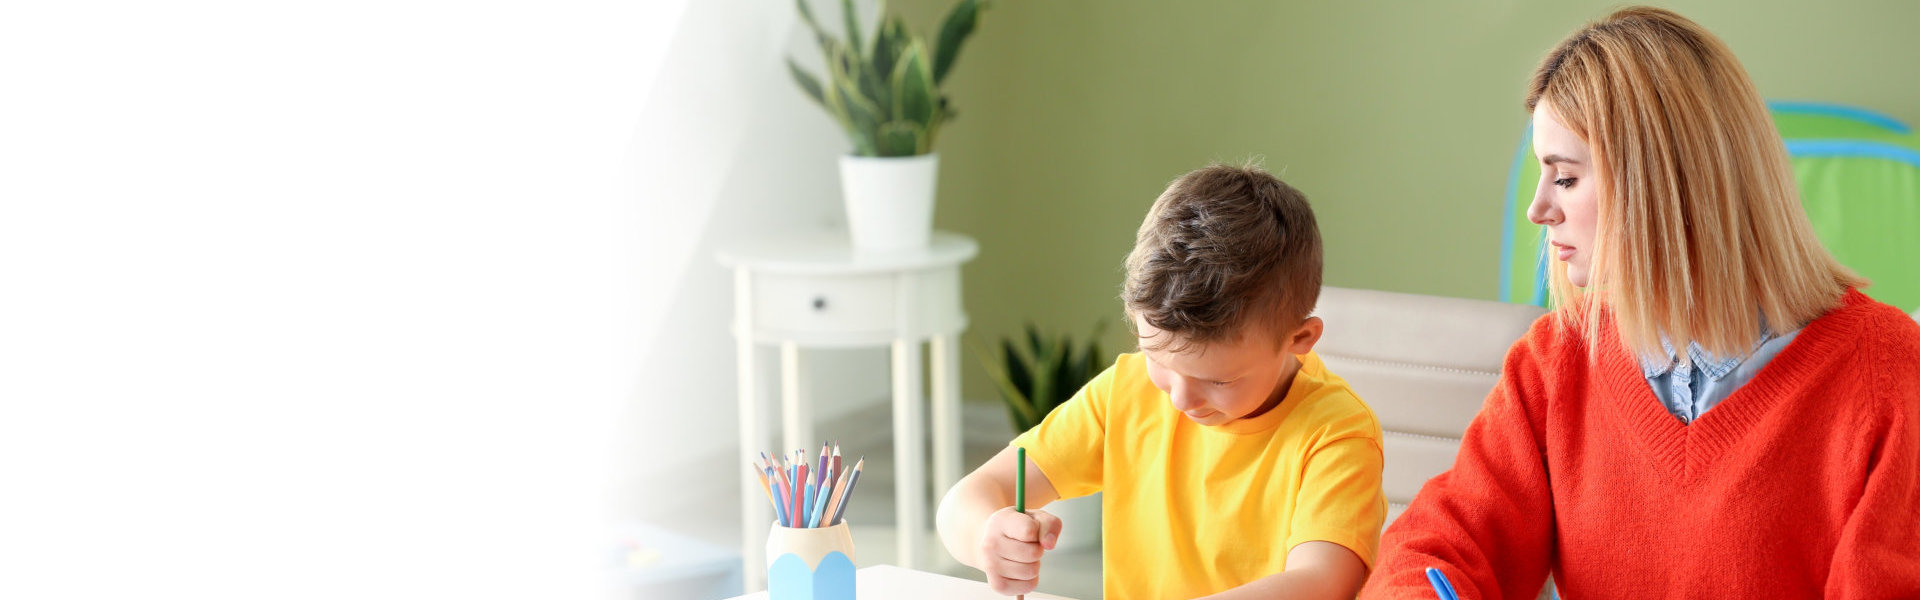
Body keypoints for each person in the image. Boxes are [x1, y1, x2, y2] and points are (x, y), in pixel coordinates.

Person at [1363, 7, 1920, 598]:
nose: (1539, 209)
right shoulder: (1556, 362)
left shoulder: (1889, 376)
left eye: (1567, 177)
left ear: (1660, 181)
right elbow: (1434, 547)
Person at [936, 163, 1388, 600]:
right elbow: (967, 499)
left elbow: (1323, 583)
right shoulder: (1125, 392)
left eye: (1218, 380)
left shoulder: (1338, 431)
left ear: (1299, 339)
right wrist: (986, 538)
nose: (1180, 397)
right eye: (1157, 357)